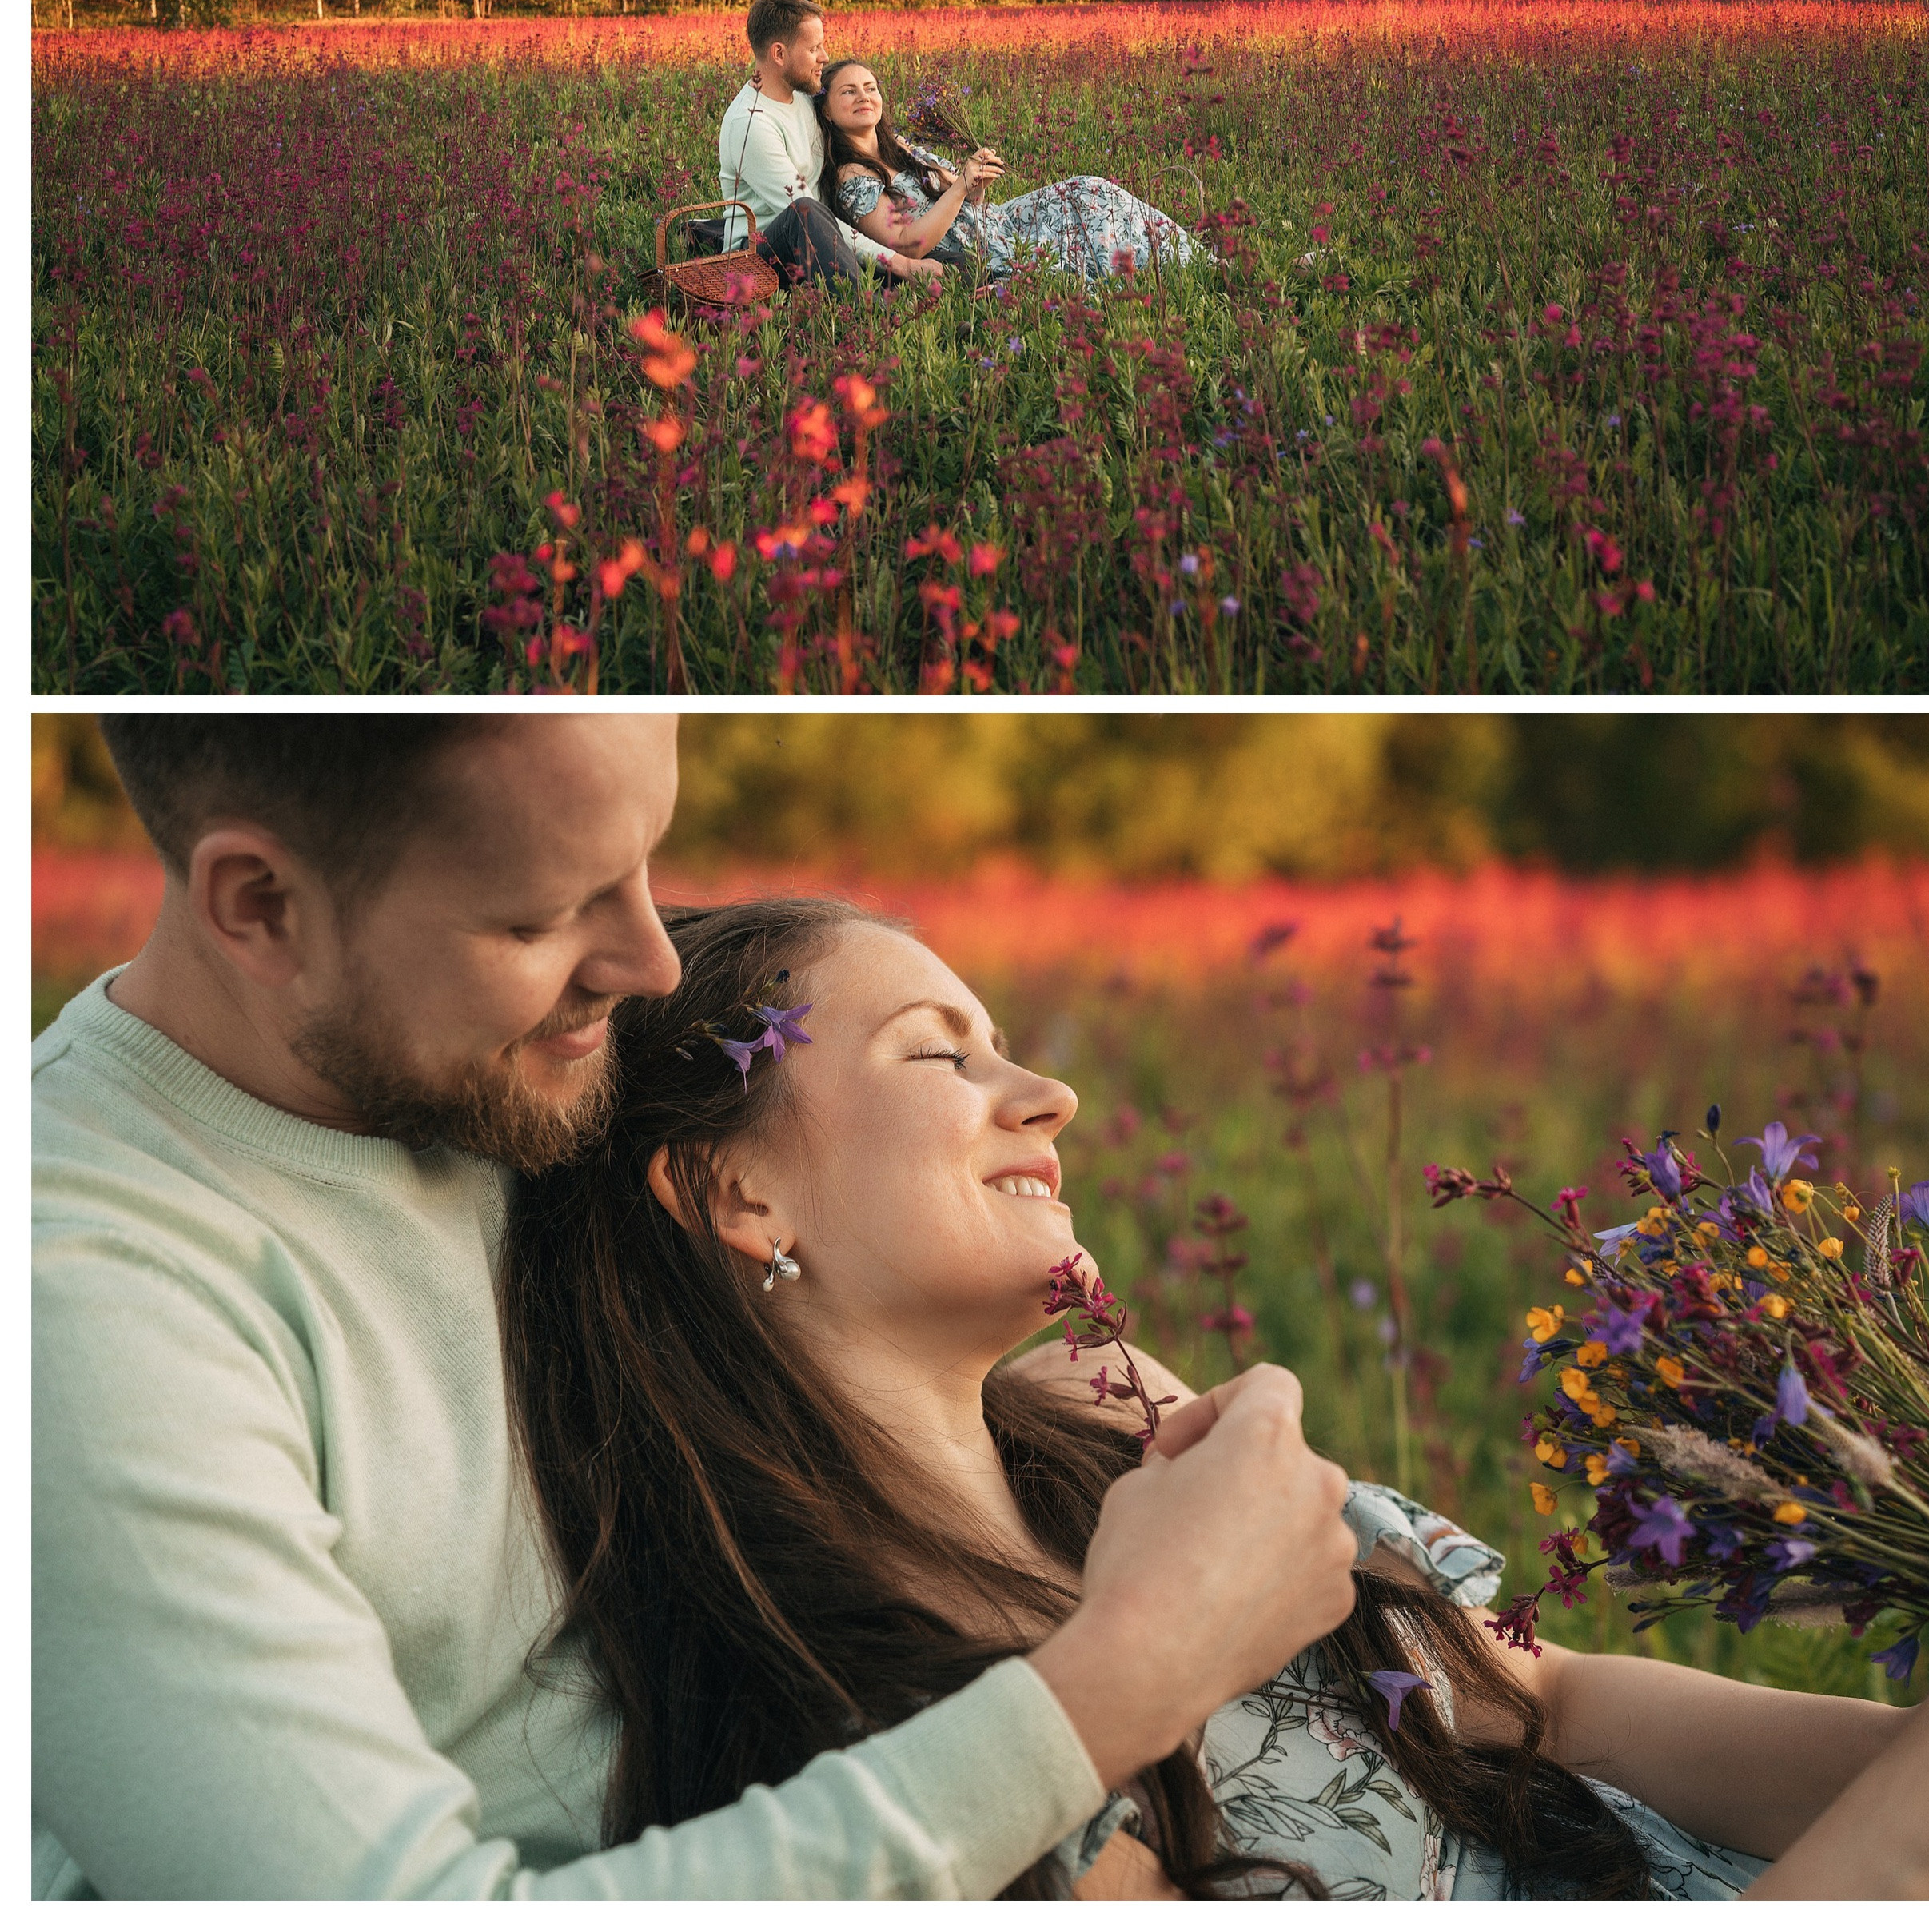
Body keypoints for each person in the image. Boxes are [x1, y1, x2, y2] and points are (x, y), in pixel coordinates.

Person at [32, 712, 1361, 1900]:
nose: (650, 961)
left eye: (647, 862)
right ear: (261, 905)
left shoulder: (493, 1059)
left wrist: (1043, 1412)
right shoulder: (90, 1314)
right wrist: (1136, 1669)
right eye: (540, 916)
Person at [501, 895, 1929, 1902]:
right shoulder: (885, 1734)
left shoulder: (1118, 1425)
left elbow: (1544, 1705)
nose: (1048, 1091)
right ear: (736, 1191)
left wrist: (1911, 1767)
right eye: (941, 1050)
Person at [815, 55, 1206, 283]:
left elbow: (964, 200)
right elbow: (908, 243)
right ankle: (1170, 269)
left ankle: (1193, 258)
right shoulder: (854, 176)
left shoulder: (898, 146)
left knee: (1089, 191)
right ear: (827, 111)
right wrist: (961, 186)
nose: (864, 96)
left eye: (870, 87)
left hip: (997, 223)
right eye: (848, 92)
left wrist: (976, 185)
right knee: (1085, 225)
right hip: (978, 252)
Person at [716, 0, 944, 293]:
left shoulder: (803, 99)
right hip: (761, 256)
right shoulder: (751, 124)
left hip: (825, 243)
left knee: (951, 263)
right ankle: (871, 314)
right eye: (814, 48)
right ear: (779, 54)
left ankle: (956, 292)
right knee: (806, 213)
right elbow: (807, 215)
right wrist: (901, 263)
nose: (825, 56)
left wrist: (906, 155)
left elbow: (855, 132)